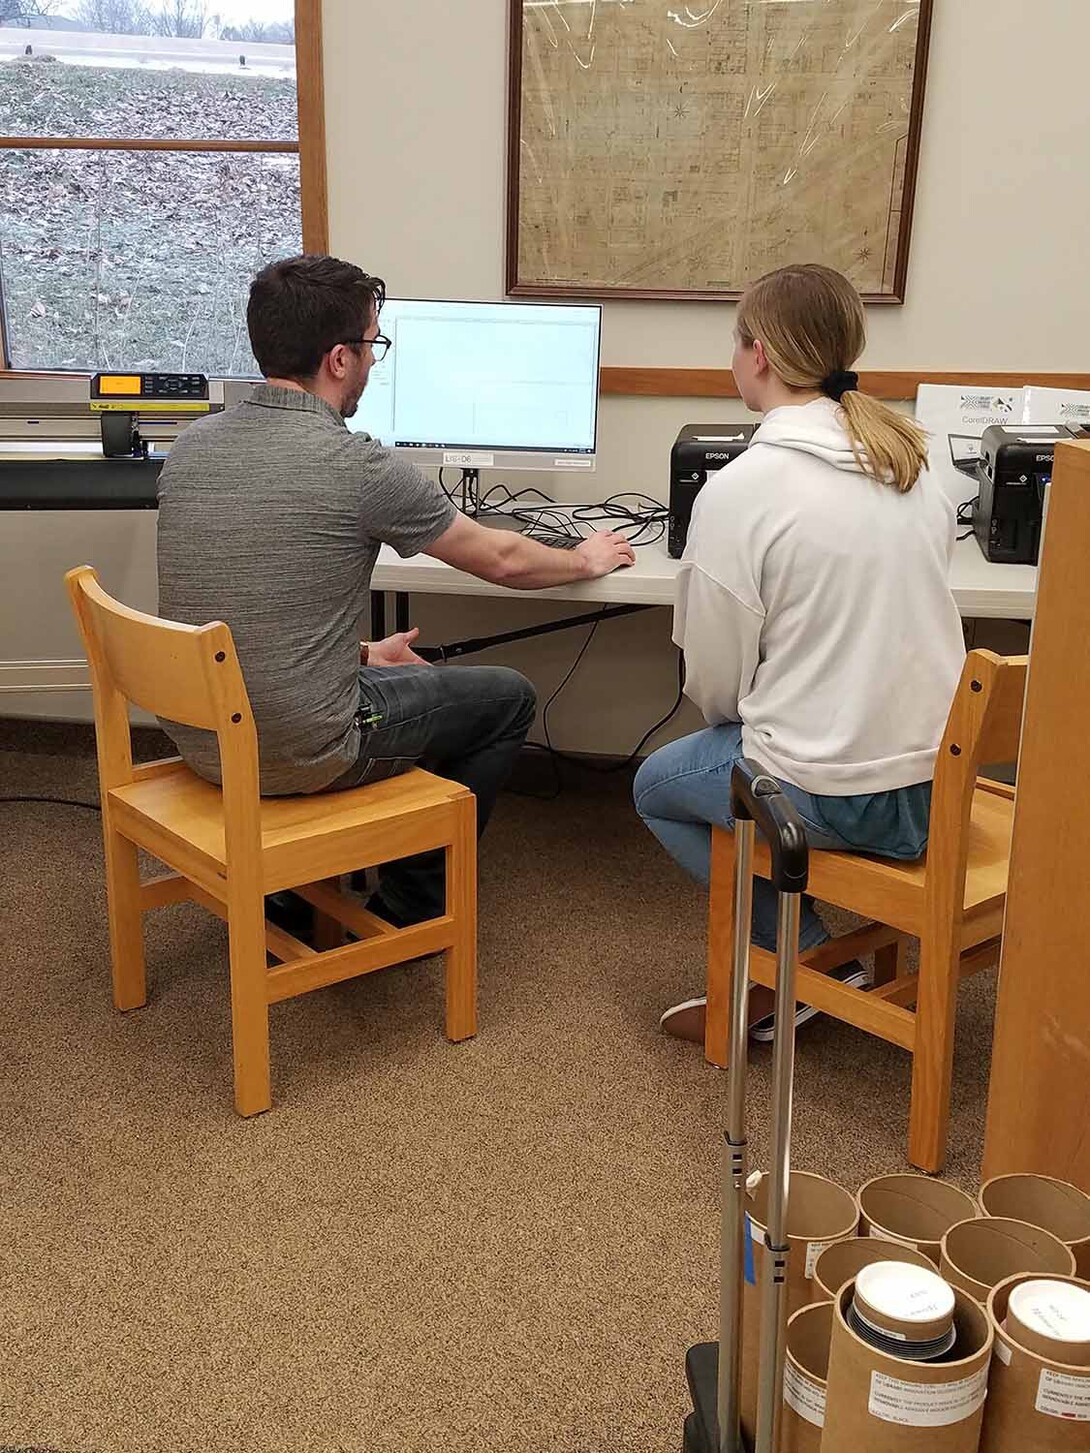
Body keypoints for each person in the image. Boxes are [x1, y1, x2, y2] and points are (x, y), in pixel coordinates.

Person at [157, 253, 634, 928]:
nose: (376, 361)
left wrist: (352, 655)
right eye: (373, 343)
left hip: (202, 736)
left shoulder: (192, 448)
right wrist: (583, 559)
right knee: (506, 699)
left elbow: (240, 608)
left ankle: (288, 891)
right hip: (304, 748)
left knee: (405, 679)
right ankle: (409, 905)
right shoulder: (358, 467)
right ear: (340, 360)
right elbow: (501, 559)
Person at [634, 263, 965, 1043]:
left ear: (758, 356)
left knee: (655, 785)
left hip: (827, 795)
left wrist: (749, 717)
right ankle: (816, 958)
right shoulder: (917, 468)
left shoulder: (743, 490)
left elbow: (715, 687)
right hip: (933, 788)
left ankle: (807, 959)